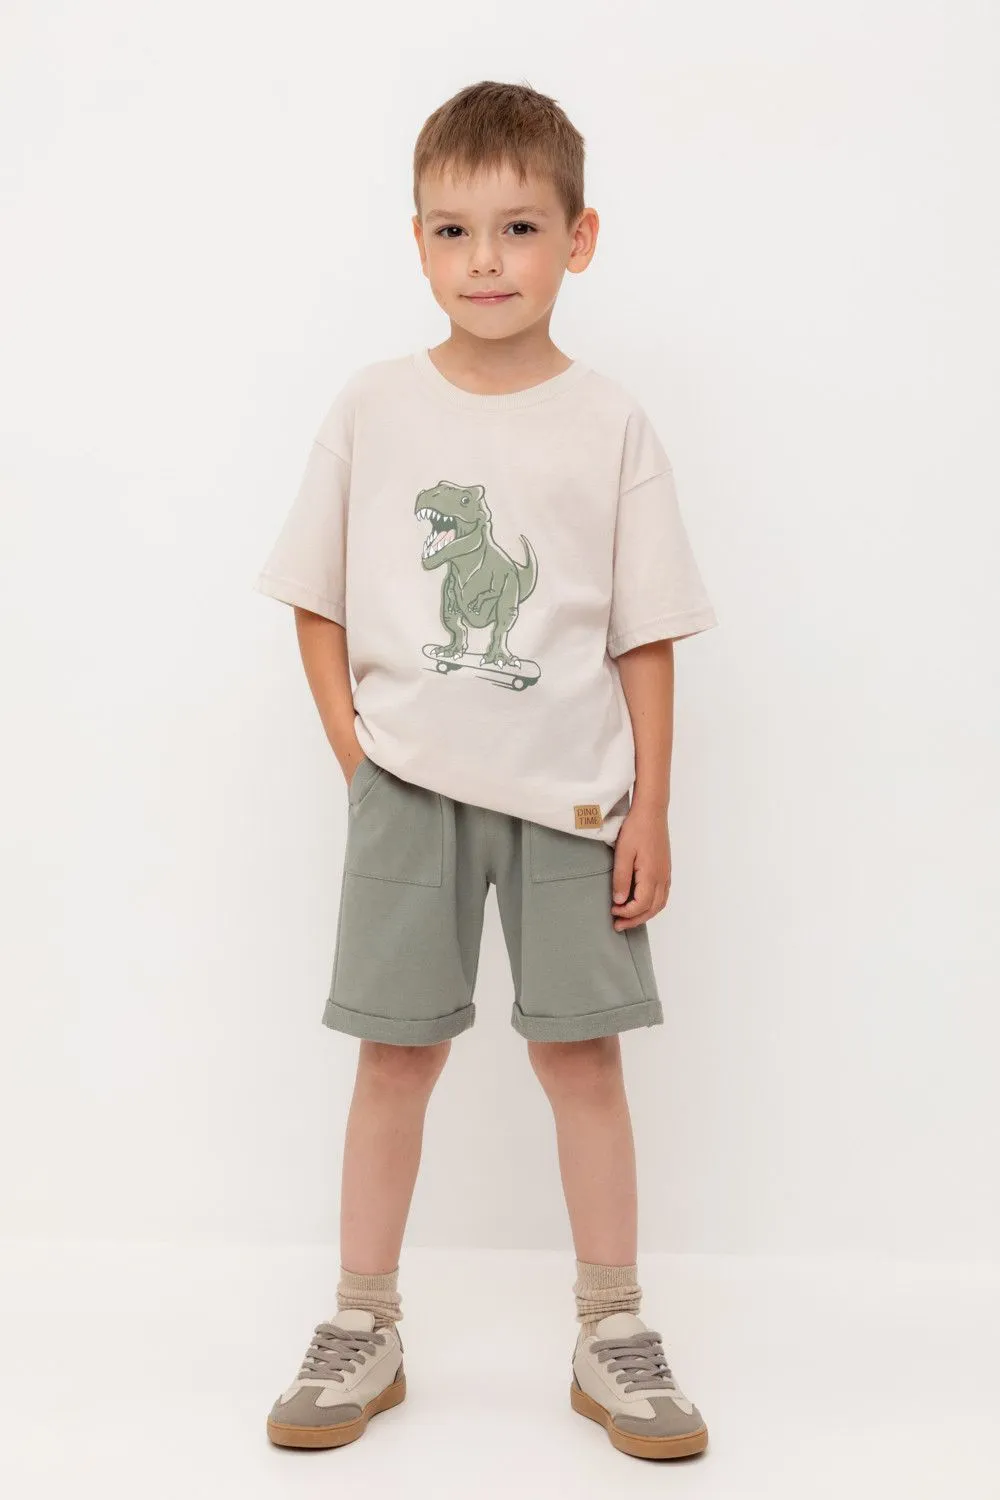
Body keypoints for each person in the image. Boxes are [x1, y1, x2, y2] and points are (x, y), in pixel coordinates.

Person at [254, 79, 718, 1462]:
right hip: (409, 792)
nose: (487, 260)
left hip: (573, 798)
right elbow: (315, 594)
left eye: (519, 227)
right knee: (393, 1055)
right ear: (417, 243)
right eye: (454, 231)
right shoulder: (374, 408)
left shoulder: (610, 423)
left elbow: (644, 632)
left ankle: (612, 1328)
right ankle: (364, 1321)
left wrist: (653, 806)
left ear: (579, 238)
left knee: (582, 1056)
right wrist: (358, 755)